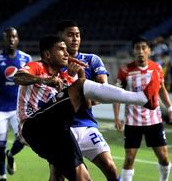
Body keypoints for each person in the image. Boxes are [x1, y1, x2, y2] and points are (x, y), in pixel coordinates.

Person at [15, 35, 158, 181]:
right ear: (47, 55)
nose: (66, 53)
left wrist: (80, 74)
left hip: (59, 132)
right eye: (61, 49)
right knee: (80, 86)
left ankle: (143, 98)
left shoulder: (66, 77)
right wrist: (44, 80)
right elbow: (18, 77)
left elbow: (85, 104)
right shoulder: (37, 67)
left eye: (66, 50)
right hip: (33, 126)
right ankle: (141, 98)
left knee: (82, 178)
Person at [56, 20, 119, 181]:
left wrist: (94, 95)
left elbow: (103, 89)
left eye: (77, 35)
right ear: (60, 38)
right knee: (57, 176)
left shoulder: (91, 60)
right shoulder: (53, 65)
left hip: (86, 125)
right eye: (70, 35)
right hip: (62, 129)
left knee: (110, 167)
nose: (75, 39)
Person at [113, 36, 172, 181]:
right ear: (133, 51)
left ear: (149, 50)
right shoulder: (125, 70)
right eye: (137, 48)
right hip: (132, 122)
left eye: (143, 48)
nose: (140, 51)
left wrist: (170, 107)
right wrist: (117, 118)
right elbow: (117, 95)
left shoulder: (157, 68)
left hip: (154, 121)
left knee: (164, 157)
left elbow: (161, 89)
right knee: (129, 158)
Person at [0, 27, 32, 181]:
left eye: (14, 37)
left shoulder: (26, 58)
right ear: (4, 39)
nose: (11, 40)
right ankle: (2, 176)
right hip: (0, 108)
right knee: (0, 143)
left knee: (24, 139)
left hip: (18, 108)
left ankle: (11, 155)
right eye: (8, 37)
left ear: (18, 39)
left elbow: (33, 79)